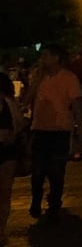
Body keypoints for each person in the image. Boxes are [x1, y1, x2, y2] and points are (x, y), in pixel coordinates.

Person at [26, 44, 82, 220]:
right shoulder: (39, 77)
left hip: (60, 129)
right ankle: (36, 200)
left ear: (56, 57)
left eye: (46, 56)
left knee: (56, 170)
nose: (43, 60)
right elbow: (29, 98)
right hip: (40, 128)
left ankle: (55, 201)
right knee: (38, 170)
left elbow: (77, 105)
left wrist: (80, 130)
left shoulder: (69, 78)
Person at [0, 73, 27, 244]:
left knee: (5, 192)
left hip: (7, 151)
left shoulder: (9, 105)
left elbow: (19, 124)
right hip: (6, 149)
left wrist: (11, 136)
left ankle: (1, 230)